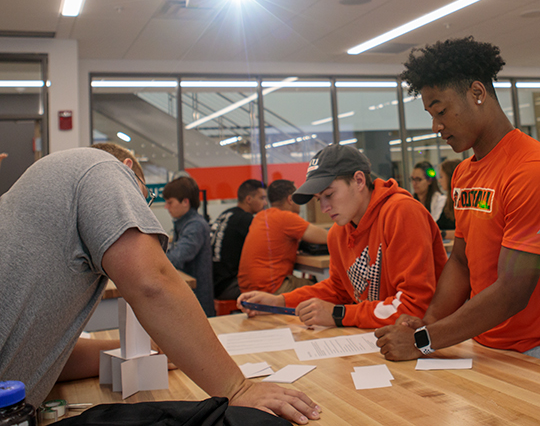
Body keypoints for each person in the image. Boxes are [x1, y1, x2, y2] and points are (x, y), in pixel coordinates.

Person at [0, 143, 320, 424]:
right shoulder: (99, 167)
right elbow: (153, 283)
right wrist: (239, 388)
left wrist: (141, 353)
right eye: (147, 197)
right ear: (128, 171)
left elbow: (47, 355)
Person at [376, 37, 540, 361]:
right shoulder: (464, 173)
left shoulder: (529, 170)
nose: (436, 126)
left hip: (531, 351)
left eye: (441, 111)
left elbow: (513, 292)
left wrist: (423, 339)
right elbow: (462, 262)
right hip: (482, 345)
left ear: (477, 93)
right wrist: (430, 320)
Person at [238, 144, 447, 329]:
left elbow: (414, 307)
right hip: (380, 338)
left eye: (329, 195)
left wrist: (339, 315)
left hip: (427, 340)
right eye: (319, 199)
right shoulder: (338, 233)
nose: (324, 207)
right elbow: (339, 289)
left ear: (358, 180)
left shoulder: (401, 212)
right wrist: (280, 302)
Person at [238, 180, 328, 295]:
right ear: (290, 199)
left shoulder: (261, 216)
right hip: (270, 288)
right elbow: (327, 237)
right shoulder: (286, 217)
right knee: (325, 289)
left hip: (248, 289)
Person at [163, 175, 215, 317]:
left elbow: (176, 258)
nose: (166, 207)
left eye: (170, 202)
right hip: (190, 298)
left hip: (198, 303)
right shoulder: (184, 224)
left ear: (185, 202)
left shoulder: (195, 226)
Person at [211, 179, 267, 300]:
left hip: (214, 283)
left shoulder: (226, 214)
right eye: (262, 198)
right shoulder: (245, 220)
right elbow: (267, 246)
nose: (265, 202)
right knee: (273, 288)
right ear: (248, 199)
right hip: (228, 286)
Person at [436, 159, 461, 231]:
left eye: (441, 177)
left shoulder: (461, 200)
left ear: (450, 177)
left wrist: (443, 234)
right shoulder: (448, 201)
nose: (439, 180)